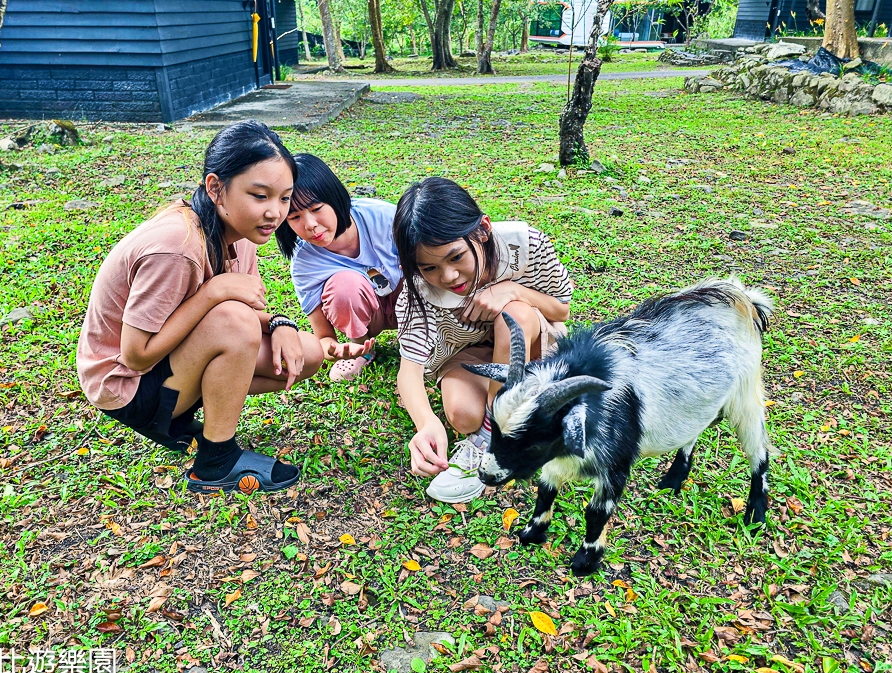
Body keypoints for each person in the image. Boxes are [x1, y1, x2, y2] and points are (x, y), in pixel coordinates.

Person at [76, 120, 324, 495]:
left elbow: (249, 313)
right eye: (260, 196)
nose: (275, 212)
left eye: (284, 198)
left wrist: (281, 324)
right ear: (216, 189)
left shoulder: (241, 235)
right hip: (128, 387)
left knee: (306, 352)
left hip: (169, 367)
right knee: (234, 320)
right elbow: (136, 355)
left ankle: (190, 420)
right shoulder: (177, 247)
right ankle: (215, 462)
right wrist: (213, 292)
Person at [393, 177, 573, 503]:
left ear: (482, 229)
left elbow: (561, 308)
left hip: (532, 345)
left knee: (513, 315)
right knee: (462, 416)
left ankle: (493, 432)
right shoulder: (418, 291)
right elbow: (409, 371)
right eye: (429, 267)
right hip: (470, 354)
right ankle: (515, 419)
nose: (447, 276)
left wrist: (514, 292)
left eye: (456, 257)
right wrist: (426, 423)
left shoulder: (525, 245)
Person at [275, 154, 401, 381]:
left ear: (335, 197)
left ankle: (427, 336)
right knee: (345, 285)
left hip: (410, 301)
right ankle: (361, 348)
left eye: (316, 208)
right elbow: (323, 336)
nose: (310, 225)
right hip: (370, 317)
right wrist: (333, 350)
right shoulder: (305, 262)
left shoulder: (385, 218)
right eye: (295, 217)